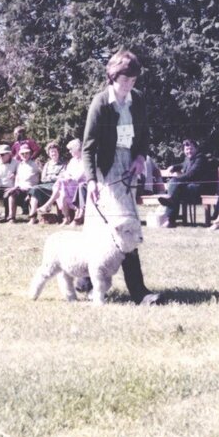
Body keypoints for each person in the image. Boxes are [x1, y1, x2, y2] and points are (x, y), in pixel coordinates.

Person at [81, 49, 160, 305]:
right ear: (113, 77)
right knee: (123, 224)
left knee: (113, 226)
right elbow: (88, 147)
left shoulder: (137, 100)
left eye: (133, 80)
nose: (128, 85)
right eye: (124, 80)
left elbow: (145, 137)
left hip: (130, 166)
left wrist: (140, 159)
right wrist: (92, 179)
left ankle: (88, 283)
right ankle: (138, 292)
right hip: (107, 168)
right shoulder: (101, 102)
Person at [156, 139, 215, 227]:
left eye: (191, 149)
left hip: (201, 189)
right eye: (187, 149)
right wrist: (173, 167)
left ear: (196, 149)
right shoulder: (188, 159)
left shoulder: (200, 158)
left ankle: (170, 219)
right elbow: (182, 164)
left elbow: (191, 174)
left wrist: (176, 180)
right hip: (190, 188)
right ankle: (170, 219)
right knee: (175, 193)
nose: (189, 151)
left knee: (174, 187)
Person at [42, 138, 86, 225]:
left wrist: (69, 178)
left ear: (77, 149)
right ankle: (66, 218)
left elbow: (79, 176)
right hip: (70, 185)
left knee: (61, 184)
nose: (69, 152)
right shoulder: (72, 161)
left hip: (80, 185)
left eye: (71, 149)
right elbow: (66, 173)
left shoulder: (84, 160)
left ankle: (49, 204)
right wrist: (67, 177)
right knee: (62, 193)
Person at [28, 141, 64, 223]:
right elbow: (43, 179)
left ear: (58, 152)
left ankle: (49, 209)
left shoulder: (63, 164)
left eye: (55, 151)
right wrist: (55, 176)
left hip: (57, 186)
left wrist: (50, 177)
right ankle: (32, 217)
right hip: (46, 186)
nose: (53, 153)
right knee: (34, 189)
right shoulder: (47, 164)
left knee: (56, 187)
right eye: (51, 152)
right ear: (49, 154)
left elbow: (62, 177)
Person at [4, 143, 41, 222]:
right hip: (21, 188)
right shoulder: (19, 165)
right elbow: (17, 178)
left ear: (30, 154)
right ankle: (12, 218)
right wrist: (16, 186)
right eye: (22, 154)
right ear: (20, 155)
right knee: (12, 194)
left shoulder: (35, 164)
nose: (25, 155)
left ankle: (33, 218)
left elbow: (37, 178)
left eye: (27, 153)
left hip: (31, 188)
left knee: (32, 194)